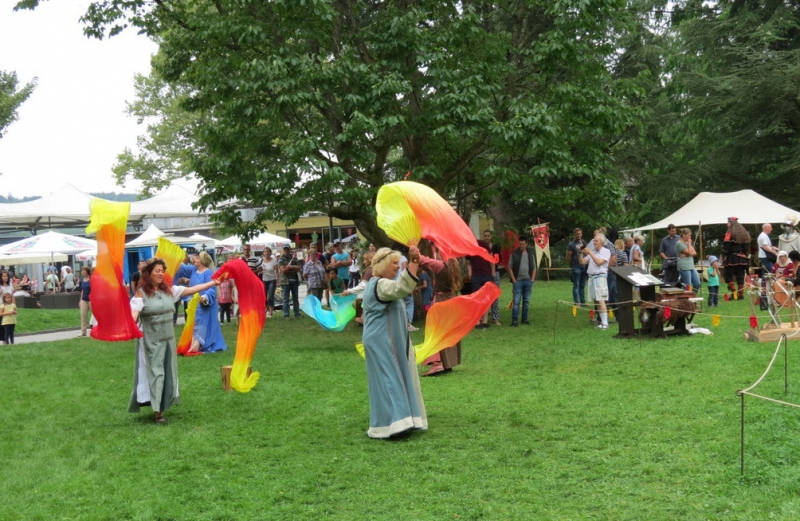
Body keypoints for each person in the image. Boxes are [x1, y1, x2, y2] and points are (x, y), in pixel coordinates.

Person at [129, 258, 222, 424]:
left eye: (162, 271)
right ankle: (157, 412)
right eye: (157, 271)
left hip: (168, 341)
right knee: (156, 373)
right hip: (150, 341)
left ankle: (161, 404)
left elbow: (192, 289)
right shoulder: (141, 293)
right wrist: (130, 325)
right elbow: (134, 314)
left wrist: (213, 283)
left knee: (167, 372)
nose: (160, 274)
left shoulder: (169, 291)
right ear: (148, 273)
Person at [361, 245, 426, 439]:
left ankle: (401, 420)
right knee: (389, 379)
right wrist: (414, 262)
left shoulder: (380, 284)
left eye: (399, 263)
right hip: (381, 341)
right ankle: (395, 424)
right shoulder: (381, 285)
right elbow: (402, 288)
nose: (398, 266)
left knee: (392, 378)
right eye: (394, 263)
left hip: (385, 340)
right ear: (382, 265)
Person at [420, 245, 463, 376]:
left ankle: (437, 363)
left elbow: (423, 260)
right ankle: (448, 362)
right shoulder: (454, 263)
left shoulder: (440, 265)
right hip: (451, 300)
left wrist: (413, 248)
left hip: (441, 301)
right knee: (448, 332)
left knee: (435, 331)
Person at [175, 251, 227, 354]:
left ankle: (201, 345)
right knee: (195, 324)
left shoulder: (208, 273)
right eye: (195, 258)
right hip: (194, 304)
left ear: (203, 261)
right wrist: (175, 259)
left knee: (204, 325)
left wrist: (204, 297)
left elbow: (212, 288)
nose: (194, 259)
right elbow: (181, 268)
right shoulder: (193, 270)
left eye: (197, 258)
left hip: (205, 304)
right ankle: (195, 345)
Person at [581, 234, 611, 330]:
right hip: (591, 278)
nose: (594, 242)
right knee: (596, 301)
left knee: (601, 299)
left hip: (600, 278)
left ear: (602, 242)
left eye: (596, 241)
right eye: (594, 241)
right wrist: (580, 252)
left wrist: (590, 252)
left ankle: (605, 323)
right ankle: (602, 322)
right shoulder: (593, 252)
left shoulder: (606, 251)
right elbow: (582, 262)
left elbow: (599, 263)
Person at [467, 236, 495, 329]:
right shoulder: (468, 247)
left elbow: (491, 259)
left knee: (486, 299)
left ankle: (485, 321)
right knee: (477, 299)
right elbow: (469, 263)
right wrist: (470, 275)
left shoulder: (483, 244)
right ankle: (477, 321)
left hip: (487, 274)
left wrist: (492, 273)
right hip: (476, 276)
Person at [509, 235, 536, 327]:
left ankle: (524, 319)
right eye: (520, 244)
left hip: (528, 280)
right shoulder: (514, 254)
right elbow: (510, 267)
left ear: (526, 244)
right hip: (518, 281)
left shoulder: (530, 254)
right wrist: (514, 280)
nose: (521, 246)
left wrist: (532, 279)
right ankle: (514, 320)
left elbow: (534, 267)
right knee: (516, 302)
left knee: (526, 301)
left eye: (523, 244)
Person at [722, 217, 751, 300]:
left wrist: (723, 255)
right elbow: (746, 248)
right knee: (740, 276)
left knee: (728, 276)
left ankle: (734, 294)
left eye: (728, 222)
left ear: (731, 223)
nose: (727, 224)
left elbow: (726, 247)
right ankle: (741, 295)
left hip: (732, 258)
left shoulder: (729, 233)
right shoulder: (743, 234)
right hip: (742, 259)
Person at [482, 229, 503, 325]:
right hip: (483, 273)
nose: (486, 237)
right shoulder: (481, 248)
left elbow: (498, 260)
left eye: (488, 236)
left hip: (495, 273)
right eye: (485, 236)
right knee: (483, 296)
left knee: (495, 296)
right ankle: (482, 317)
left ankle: (495, 318)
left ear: (491, 237)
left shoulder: (495, 247)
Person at [278, 245, 302, 318]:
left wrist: (291, 267)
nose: (286, 251)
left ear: (290, 249)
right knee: (286, 299)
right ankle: (286, 315)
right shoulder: (281, 259)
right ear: (283, 250)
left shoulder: (294, 258)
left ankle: (297, 314)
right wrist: (292, 268)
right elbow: (283, 270)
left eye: (287, 249)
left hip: (295, 281)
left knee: (295, 298)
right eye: (285, 249)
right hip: (285, 281)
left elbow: (299, 267)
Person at [566, 228, 588, 305]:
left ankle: (583, 301)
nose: (578, 235)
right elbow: (568, 256)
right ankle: (576, 301)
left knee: (582, 285)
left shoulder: (584, 242)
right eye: (577, 234)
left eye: (580, 234)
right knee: (576, 285)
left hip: (583, 266)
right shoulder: (571, 244)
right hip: (575, 267)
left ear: (581, 234)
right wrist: (571, 265)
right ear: (574, 234)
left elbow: (587, 253)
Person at [261, 248, 278, 317]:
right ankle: (267, 310)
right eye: (265, 251)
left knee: (271, 296)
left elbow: (277, 271)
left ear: (270, 252)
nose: (266, 253)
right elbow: (260, 269)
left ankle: (271, 312)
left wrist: (278, 281)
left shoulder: (274, 261)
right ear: (263, 253)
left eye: (268, 251)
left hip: (272, 280)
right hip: (264, 280)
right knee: (264, 296)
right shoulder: (262, 261)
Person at [78, 267, 92, 337]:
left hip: (91, 300)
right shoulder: (81, 280)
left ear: (87, 271)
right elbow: (82, 291)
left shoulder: (91, 279)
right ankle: (83, 331)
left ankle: (97, 329)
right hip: (84, 299)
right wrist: (80, 300)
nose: (83, 272)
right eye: (82, 271)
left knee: (95, 315)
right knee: (83, 315)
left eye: (84, 270)